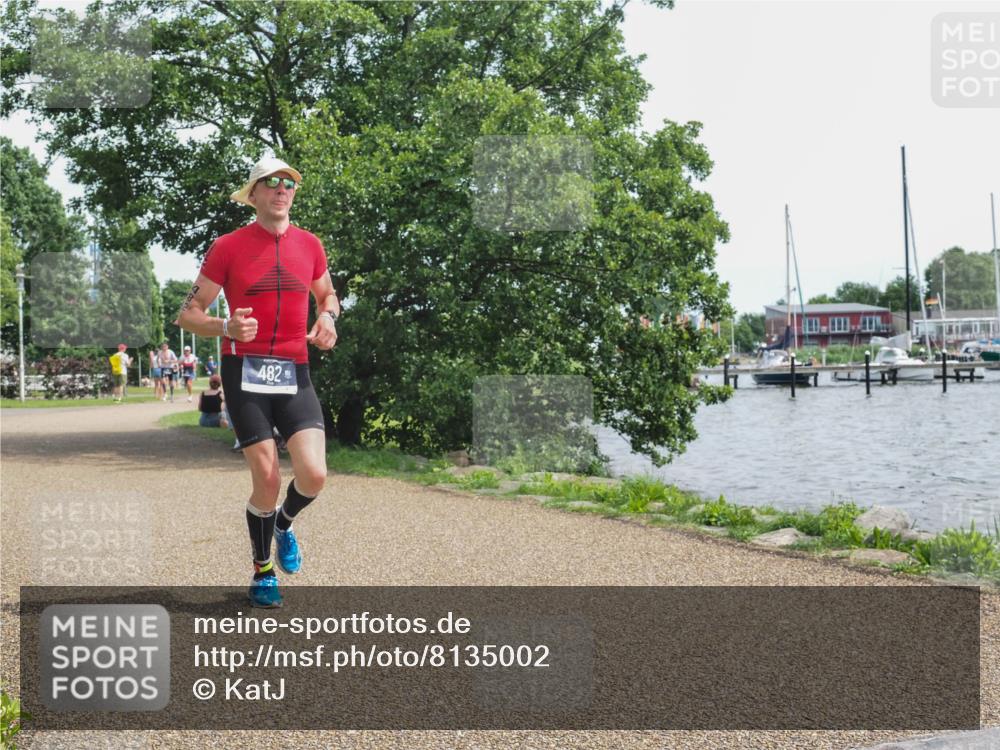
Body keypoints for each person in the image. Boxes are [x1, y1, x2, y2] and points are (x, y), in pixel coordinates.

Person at [176, 156, 339, 608]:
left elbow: (327, 294)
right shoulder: (228, 247)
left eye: (289, 183)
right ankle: (262, 570)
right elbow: (188, 313)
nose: (282, 189)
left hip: (294, 370)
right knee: (266, 478)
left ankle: (284, 524)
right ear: (254, 194)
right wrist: (225, 327)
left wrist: (328, 316)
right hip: (244, 371)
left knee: (314, 474)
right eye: (272, 182)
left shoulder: (310, 244)